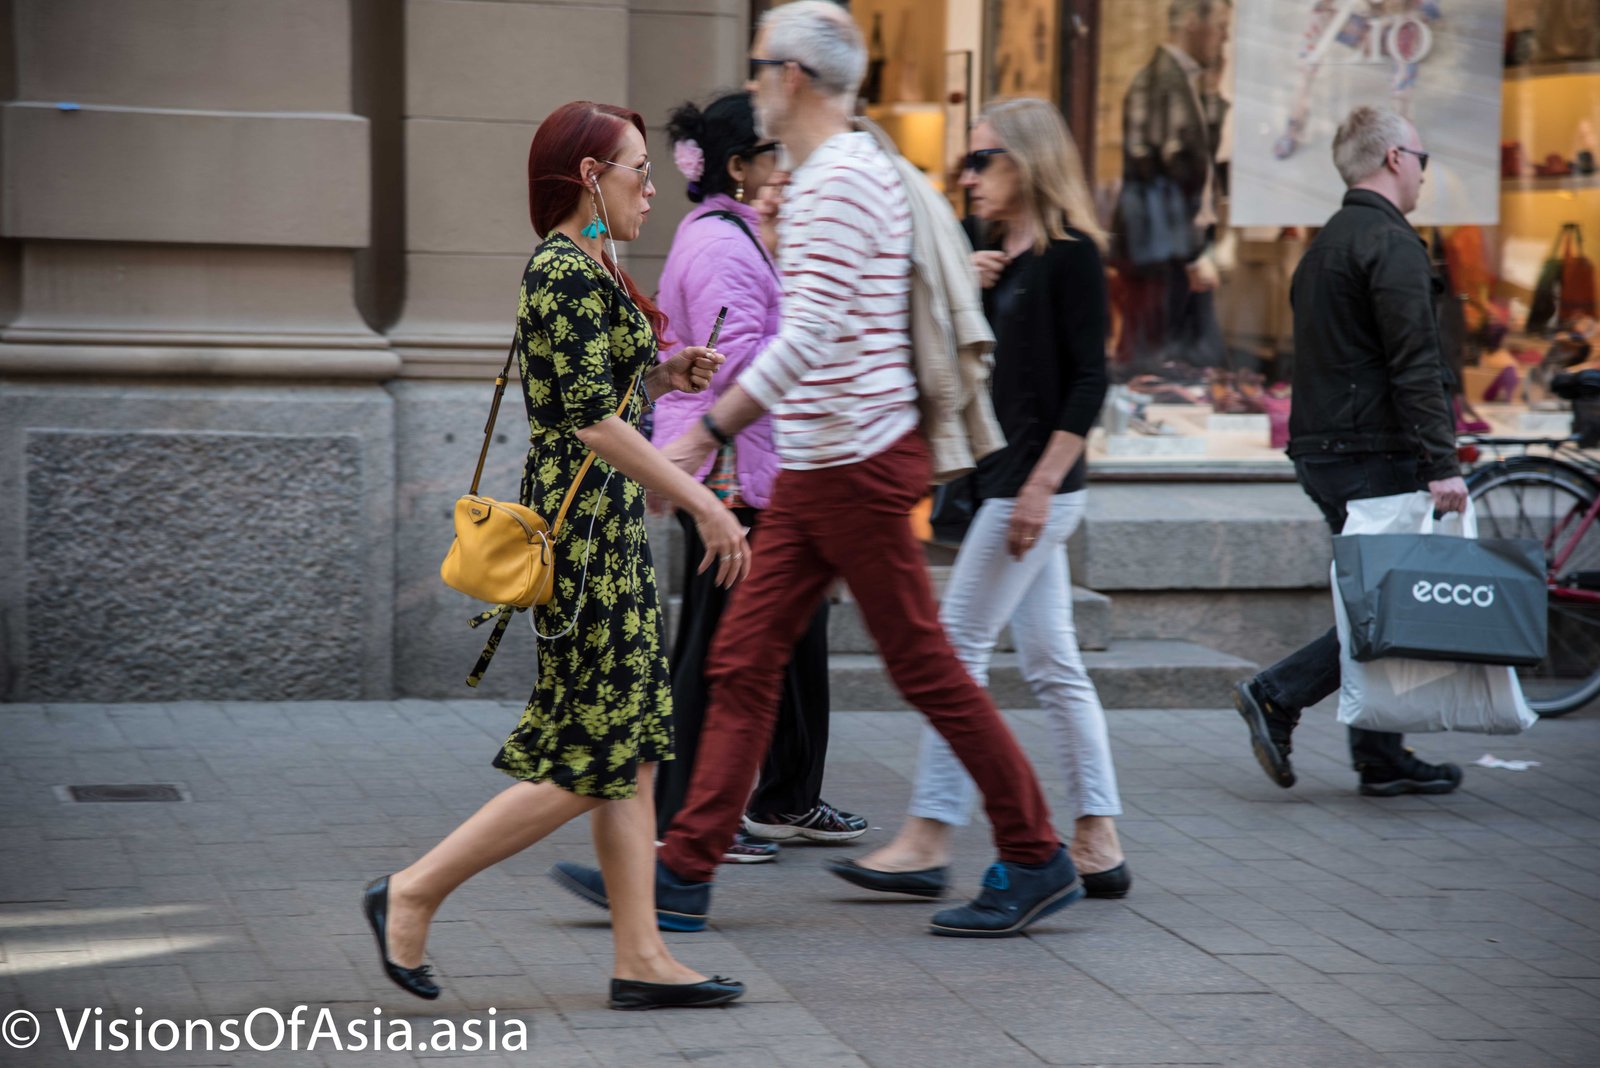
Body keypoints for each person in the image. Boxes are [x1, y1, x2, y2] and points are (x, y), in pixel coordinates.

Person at [550, 0, 1081, 940]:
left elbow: (809, 338)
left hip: (858, 464)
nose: (752, 83)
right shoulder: (834, 174)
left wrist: (706, 430)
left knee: (921, 665)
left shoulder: (840, 177)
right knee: (744, 660)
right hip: (819, 463)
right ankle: (684, 869)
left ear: (791, 76)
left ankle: (1036, 853)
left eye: (759, 67)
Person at [361, 100, 754, 1011]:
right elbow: (583, 420)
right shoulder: (560, 270)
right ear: (588, 176)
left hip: (608, 531)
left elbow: (594, 391)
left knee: (633, 747)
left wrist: (666, 371)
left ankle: (642, 955)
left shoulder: (592, 264)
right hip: (584, 542)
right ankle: (411, 892)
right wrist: (702, 502)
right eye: (635, 171)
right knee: (592, 754)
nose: (651, 189)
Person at [830, 98, 1129, 901]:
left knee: (954, 645)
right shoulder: (991, 248)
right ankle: (1098, 836)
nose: (967, 177)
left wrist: (1039, 489)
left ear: (1028, 161)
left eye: (983, 159)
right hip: (1003, 480)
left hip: (1036, 487)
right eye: (966, 161)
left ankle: (929, 835)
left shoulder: (1071, 256)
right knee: (1052, 660)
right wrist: (970, 277)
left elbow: (1088, 384)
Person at [652, 92, 866, 862]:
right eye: (775, 152)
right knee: (718, 647)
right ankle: (679, 819)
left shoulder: (750, 235)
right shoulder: (719, 246)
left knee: (798, 638)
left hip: (763, 473)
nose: (790, 164)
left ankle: (788, 797)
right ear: (739, 167)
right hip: (728, 480)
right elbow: (741, 366)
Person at [1233, 105, 1467, 797]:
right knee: (1392, 604)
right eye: (1421, 157)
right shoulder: (1390, 244)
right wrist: (1442, 463)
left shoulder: (1327, 242)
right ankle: (1278, 694)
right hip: (1373, 450)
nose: (1424, 171)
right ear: (1395, 158)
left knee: (1377, 596)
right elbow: (1413, 363)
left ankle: (1380, 753)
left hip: (1326, 448)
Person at [1112, 0, 1231, 375]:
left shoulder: (1182, 82)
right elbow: (1163, 174)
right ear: (1192, 21)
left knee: (1179, 354)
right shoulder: (1161, 81)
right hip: (1163, 247)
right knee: (1157, 354)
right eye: (1220, 27)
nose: (1224, 39)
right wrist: (1195, 252)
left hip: (1170, 246)